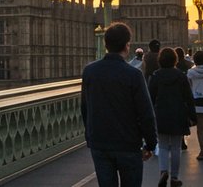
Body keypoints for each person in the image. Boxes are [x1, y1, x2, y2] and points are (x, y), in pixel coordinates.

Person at [82, 22, 157, 187]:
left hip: (100, 143)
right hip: (128, 144)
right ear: (127, 45)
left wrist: (90, 136)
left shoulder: (89, 72)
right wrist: (151, 144)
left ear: (105, 44)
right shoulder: (134, 75)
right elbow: (146, 114)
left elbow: (85, 108)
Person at [149, 47, 194, 187]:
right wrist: (192, 116)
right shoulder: (181, 76)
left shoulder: (155, 76)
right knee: (175, 147)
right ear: (175, 60)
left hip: (161, 113)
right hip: (178, 113)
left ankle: (163, 171)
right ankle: (174, 177)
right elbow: (188, 97)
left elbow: (150, 98)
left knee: (162, 145)